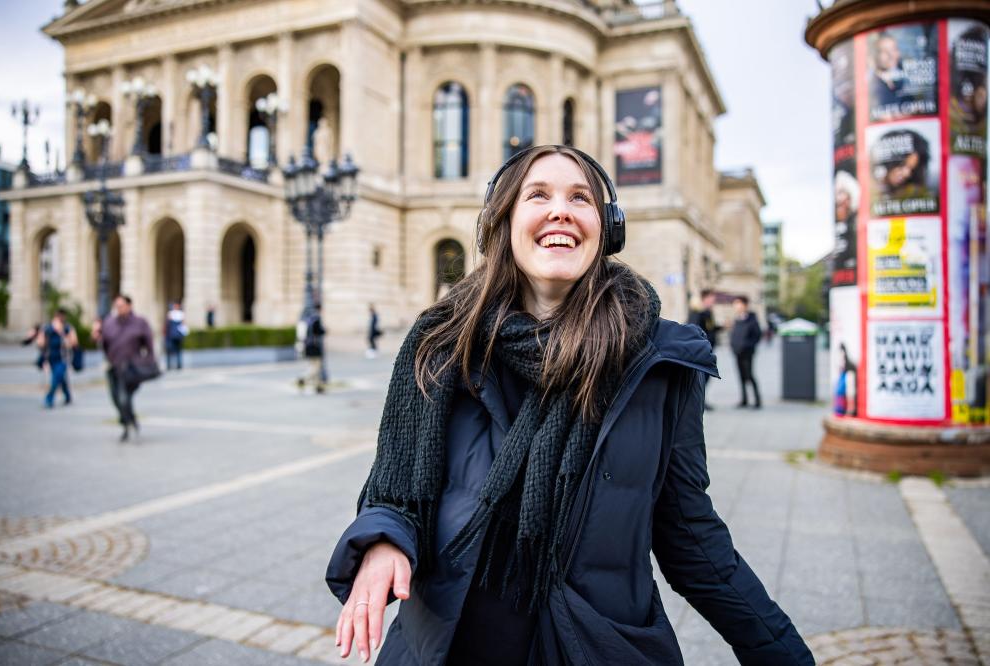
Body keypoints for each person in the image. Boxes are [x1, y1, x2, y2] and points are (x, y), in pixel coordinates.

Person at [326, 145, 811, 664]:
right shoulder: (441, 345)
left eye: (580, 197)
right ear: (503, 223)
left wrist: (783, 654)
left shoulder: (659, 363)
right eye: (538, 194)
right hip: (448, 646)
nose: (561, 210)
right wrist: (383, 542)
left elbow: (692, 539)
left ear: (607, 230)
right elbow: (395, 493)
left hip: (596, 647)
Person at [93, 294, 155, 443]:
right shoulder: (109, 322)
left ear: (129, 306)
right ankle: (130, 421)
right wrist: (97, 336)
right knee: (115, 398)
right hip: (113, 366)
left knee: (124, 398)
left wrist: (147, 361)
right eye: (116, 306)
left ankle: (128, 425)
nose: (118, 309)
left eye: (121, 306)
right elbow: (104, 343)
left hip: (131, 368)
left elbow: (149, 344)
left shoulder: (140, 322)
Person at [37, 309, 78, 408]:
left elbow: (74, 343)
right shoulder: (47, 328)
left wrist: (61, 333)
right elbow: (40, 343)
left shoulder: (67, 328)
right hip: (50, 358)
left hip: (63, 359)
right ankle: (67, 396)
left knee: (55, 378)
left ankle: (49, 399)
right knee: (61, 378)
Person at [686, 288, 719, 411]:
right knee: (703, 376)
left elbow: (710, 328)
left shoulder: (707, 312)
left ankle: (700, 400)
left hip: (708, 348)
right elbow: (695, 329)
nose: (713, 301)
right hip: (701, 349)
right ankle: (699, 402)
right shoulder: (697, 312)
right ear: (704, 299)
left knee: (707, 375)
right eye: (711, 299)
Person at [730, 295, 762, 409]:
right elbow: (734, 335)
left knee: (749, 375)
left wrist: (746, 346)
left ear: (745, 305)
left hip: (747, 353)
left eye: (738, 303)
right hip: (737, 352)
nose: (736, 306)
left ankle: (757, 400)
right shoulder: (737, 319)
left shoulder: (752, 319)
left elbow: (757, 336)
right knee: (741, 376)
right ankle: (744, 399)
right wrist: (733, 346)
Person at [164, 302, 187, 370]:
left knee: (176, 351)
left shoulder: (174, 314)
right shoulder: (174, 314)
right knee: (175, 351)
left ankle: (176, 365)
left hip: (174, 336)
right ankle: (174, 365)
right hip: (175, 335)